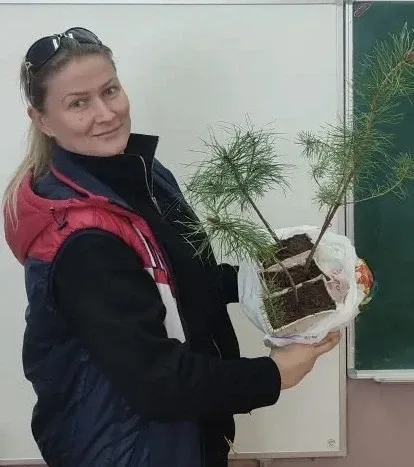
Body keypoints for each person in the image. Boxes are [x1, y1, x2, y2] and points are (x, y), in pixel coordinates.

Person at [3, 27, 340, 467]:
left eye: (110, 90)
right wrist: (275, 374)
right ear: (42, 120)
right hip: (128, 448)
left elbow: (182, 277)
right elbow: (158, 382)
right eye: (78, 103)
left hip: (183, 430)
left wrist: (276, 277)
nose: (106, 113)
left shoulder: (143, 175)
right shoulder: (83, 242)